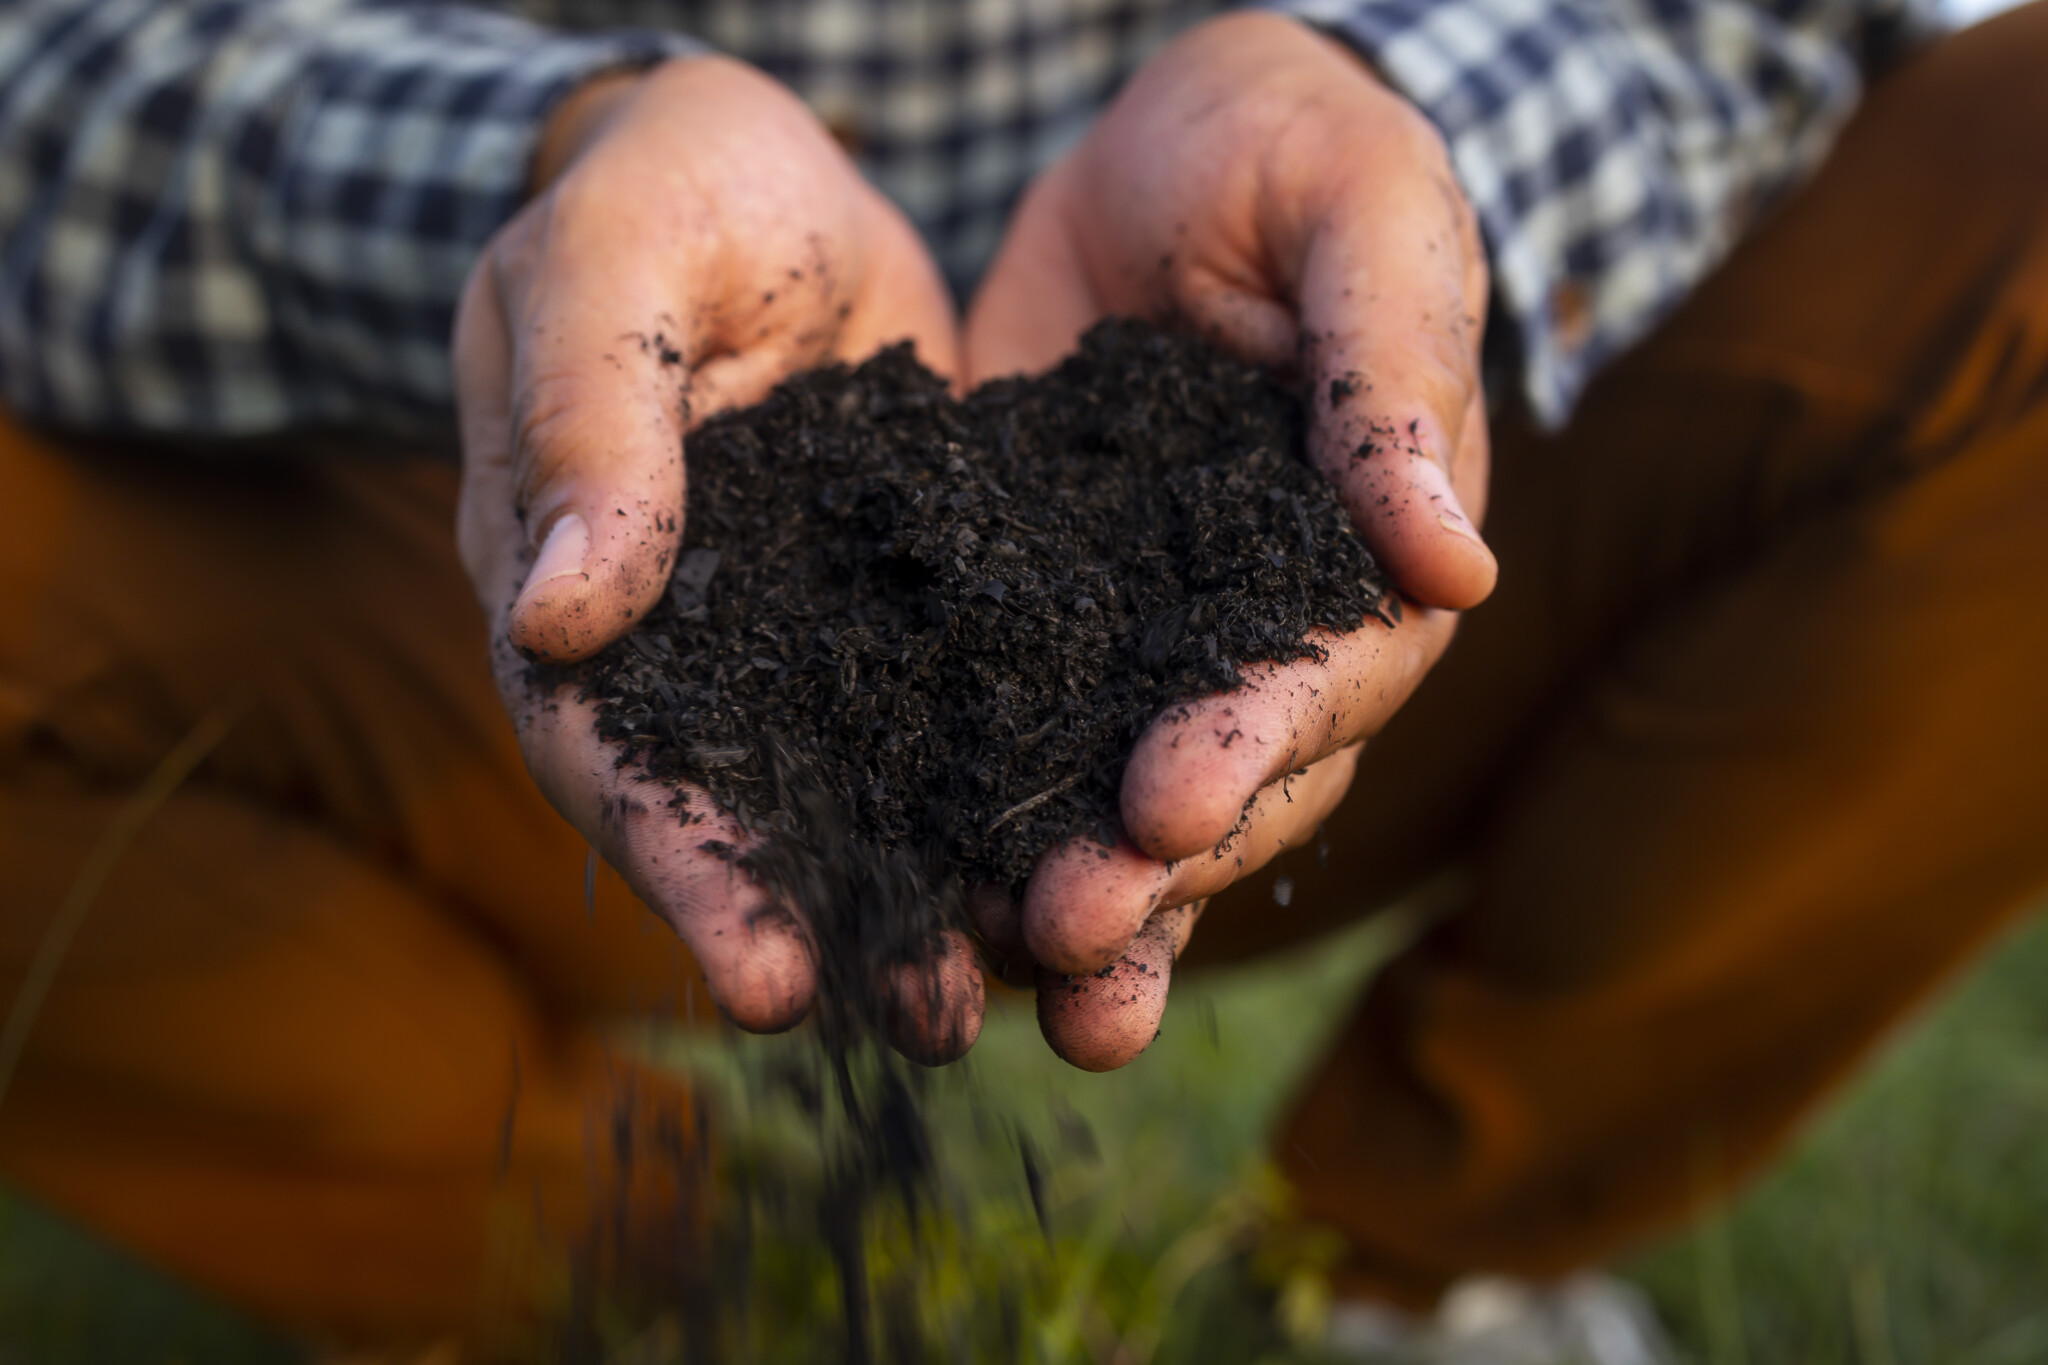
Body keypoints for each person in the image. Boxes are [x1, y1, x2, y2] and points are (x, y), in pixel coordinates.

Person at [1, 0, 2044, 1356]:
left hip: (1362, 415)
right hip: (504, 508)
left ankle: (1388, 1274)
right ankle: (681, 1279)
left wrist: (1385, 110)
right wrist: (552, 157)